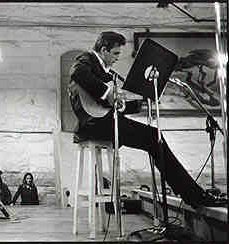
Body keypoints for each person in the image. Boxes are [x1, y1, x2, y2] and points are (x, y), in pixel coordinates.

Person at [68, 31, 227, 209]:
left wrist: (139, 104)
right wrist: (108, 93)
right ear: (103, 50)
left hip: (102, 121)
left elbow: (109, 105)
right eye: (115, 53)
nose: (117, 58)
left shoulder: (105, 73)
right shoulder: (87, 59)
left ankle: (192, 194)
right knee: (153, 137)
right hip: (93, 125)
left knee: (153, 137)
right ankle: (195, 196)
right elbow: (77, 73)